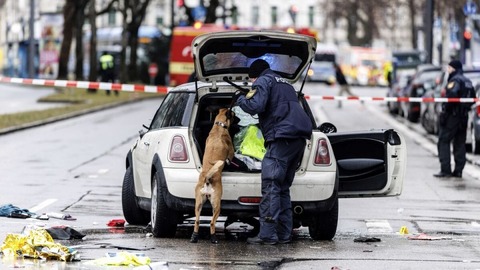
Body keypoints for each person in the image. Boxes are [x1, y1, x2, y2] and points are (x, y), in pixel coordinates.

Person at [233, 59, 313, 245]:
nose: (253, 83)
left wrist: (240, 99)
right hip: (298, 140)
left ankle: (268, 235)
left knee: (270, 185)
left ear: (255, 75)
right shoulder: (285, 83)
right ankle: (284, 235)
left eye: (252, 80)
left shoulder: (262, 81)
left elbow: (256, 106)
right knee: (282, 188)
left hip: (281, 138)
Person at [434, 60, 474, 178]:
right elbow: (472, 99)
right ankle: (458, 171)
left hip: (452, 116)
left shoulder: (455, 80)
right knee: (460, 143)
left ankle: (445, 170)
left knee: (443, 140)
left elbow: (452, 96)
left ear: (454, 68)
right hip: (463, 117)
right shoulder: (468, 81)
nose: (448, 70)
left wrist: (446, 110)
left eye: (449, 68)